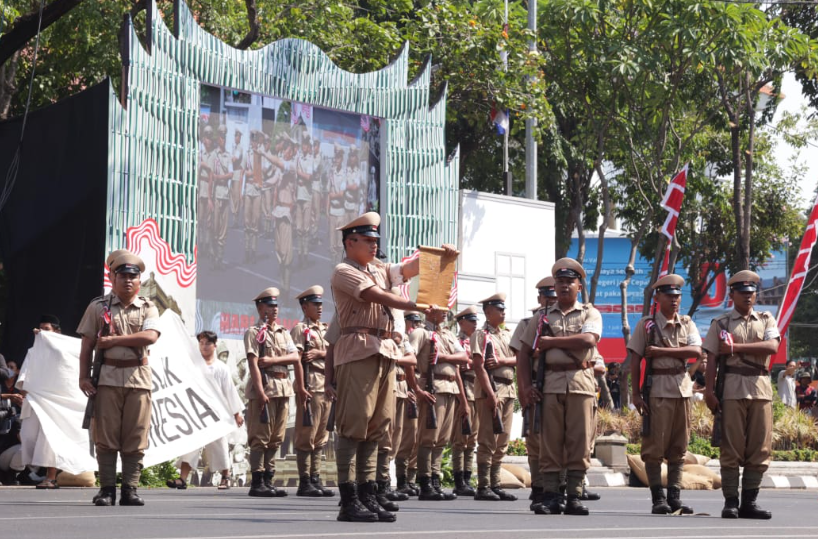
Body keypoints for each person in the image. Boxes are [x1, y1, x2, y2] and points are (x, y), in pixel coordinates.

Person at [325, 211, 454, 522]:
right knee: (354, 426)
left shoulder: (379, 268)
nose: (374, 246)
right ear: (349, 241)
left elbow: (406, 269)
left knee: (375, 428)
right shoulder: (344, 270)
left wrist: (440, 258)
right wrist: (415, 305)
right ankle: (348, 498)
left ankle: (368, 493)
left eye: (375, 241)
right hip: (357, 350)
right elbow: (374, 295)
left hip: (383, 351)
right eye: (368, 240)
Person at [517, 258, 601, 516]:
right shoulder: (541, 318)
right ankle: (552, 495)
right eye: (560, 282)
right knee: (550, 442)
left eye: (569, 282)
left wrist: (551, 343)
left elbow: (588, 339)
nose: (564, 286)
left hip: (581, 384)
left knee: (579, 442)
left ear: (579, 286)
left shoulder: (590, 313)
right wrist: (524, 387)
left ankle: (574, 495)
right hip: (549, 385)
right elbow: (523, 353)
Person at [77, 251, 160, 506]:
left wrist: (114, 340)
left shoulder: (148, 306)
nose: (127, 281)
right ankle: (107, 490)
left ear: (139, 281)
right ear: (112, 277)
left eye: (133, 277)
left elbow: (150, 337)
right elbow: (87, 345)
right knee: (106, 437)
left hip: (138, 378)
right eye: (122, 275)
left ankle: (130, 489)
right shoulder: (98, 306)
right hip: (107, 377)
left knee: (136, 436)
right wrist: (83, 377)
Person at [704, 270, 780, 520]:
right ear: (732, 294)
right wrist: (709, 391)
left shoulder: (766, 319)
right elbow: (712, 358)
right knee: (731, 447)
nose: (748, 297)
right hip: (732, 389)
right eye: (743, 293)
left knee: (760, 448)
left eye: (752, 292)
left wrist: (735, 347)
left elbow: (772, 347)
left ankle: (750, 501)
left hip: (760, 388)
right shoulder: (722, 323)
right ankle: (730, 502)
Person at [627, 274, 702, 515]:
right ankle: (658, 498)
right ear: (658, 297)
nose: (674, 300)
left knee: (679, 446)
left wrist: (660, 350)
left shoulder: (687, 323)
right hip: (656, 389)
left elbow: (696, 351)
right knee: (654, 446)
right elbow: (635, 359)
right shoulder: (647, 325)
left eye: (677, 296)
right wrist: (635, 394)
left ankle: (675, 497)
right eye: (669, 295)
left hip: (682, 389)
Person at [244, 287, 308, 498]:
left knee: (276, 437)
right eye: (270, 306)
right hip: (265, 388)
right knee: (260, 437)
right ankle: (257, 480)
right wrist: (260, 392)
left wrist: (273, 360)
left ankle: (268, 478)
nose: (274, 310)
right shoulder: (253, 333)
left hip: (282, 389)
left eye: (276, 306)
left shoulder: (283, 332)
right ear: (260, 308)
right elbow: (254, 364)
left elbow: (295, 358)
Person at [167, 331, 244, 490]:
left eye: (207, 343)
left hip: (217, 413)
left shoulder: (221, 368)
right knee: (191, 444)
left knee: (220, 445)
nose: (204, 346)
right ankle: (182, 479)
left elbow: (229, 391)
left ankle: (225, 477)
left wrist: (237, 412)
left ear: (214, 346)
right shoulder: (193, 367)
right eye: (201, 343)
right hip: (196, 412)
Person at [409, 305, 469, 501]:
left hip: (450, 388)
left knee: (442, 439)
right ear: (429, 311)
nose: (445, 311)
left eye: (446, 308)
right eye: (441, 308)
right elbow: (410, 359)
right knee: (428, 437)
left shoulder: (449, 335)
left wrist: (443, 357)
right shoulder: (421, 333)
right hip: (432, 386)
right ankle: (425, 481)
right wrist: (416, 388)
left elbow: (463, 357)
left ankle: (435, 480)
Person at [510, 277, 556, 508]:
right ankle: (539, 487)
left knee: (559, 441)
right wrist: (524, 392)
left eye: (553, 297)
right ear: (539, 298)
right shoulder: (528, 323)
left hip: (558, 385)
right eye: (546, 297)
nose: (550, 301)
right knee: (536, 441)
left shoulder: (563, 323)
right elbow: (521, 360)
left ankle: (557, 487)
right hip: (536, 388)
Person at [471, 292, 517, 502]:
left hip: (508, 389)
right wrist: (490, 393)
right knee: (488, 440)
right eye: (499, 309)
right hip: (492, 389)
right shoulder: (481, 335)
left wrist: (504, 362)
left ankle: (495, 483)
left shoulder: (507, 335)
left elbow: (519, 358)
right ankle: (483, 486)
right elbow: (479, 367)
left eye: (503, 309)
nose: (503, 312)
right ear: (488, 312)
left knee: (503, 441)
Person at [290, 286, 335, 497]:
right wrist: (300, 387)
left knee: (321, 437)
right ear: (304, 306)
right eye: (315, 305)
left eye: (320, 304)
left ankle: (315, 478)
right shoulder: (300, 329)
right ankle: (305, 480)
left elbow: (335, 354)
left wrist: (319, 352)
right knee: (306, 434)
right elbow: (297, 360)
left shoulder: (325, 329)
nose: (319, 308)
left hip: (325, 385)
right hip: (311, 384)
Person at [18, 315, 64, 489]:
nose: (41, 333)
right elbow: (23, 379)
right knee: (29, 438)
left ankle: (50, 477)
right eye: (40, 330)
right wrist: (29, 393)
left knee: (48, 440)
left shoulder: (65, 352)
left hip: (55, 404)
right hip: (35, 401)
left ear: (57, 332)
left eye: (46, 330)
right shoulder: (33, 352)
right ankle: (47, 471)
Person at [450, 305, 479, 496]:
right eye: (472, 320)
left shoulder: (478, 341)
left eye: (476, 320)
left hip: (477, 391)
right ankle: (459, 480)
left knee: (472, 439)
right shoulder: (458, 342)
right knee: (460, 439)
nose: (476, 323)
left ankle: (468, 479)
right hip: (465, 389)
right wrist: (462, 400)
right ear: (462, 323)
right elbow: (458, 370)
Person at [210, 125, 234, 269]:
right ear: (218, 139)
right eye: (221, 137)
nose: (223, 140)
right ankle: (213, 255)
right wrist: (210, 198)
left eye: (224, 137)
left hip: (225, 194)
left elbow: (230, 174)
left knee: (223, 229)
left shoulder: (228, 156)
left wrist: (221, 176)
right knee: (215, 227)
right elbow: (212, 177)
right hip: (216, 194)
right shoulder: (214, 155)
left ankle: (219, 258)